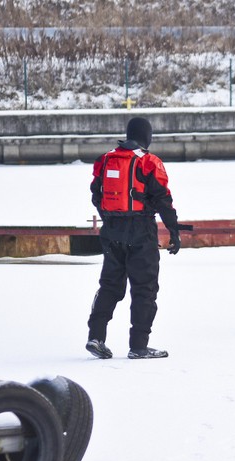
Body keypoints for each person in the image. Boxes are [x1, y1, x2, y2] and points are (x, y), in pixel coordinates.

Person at [85, 117, 183, 359]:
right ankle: (139, 346)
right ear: (146, 137)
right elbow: (163, 200)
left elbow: (95, 194)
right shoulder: (150, 162)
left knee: (109, 285)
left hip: (111, 231)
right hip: (141, 231)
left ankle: (96, 337)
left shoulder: (106, 159)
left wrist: (109, 219)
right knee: (144, 289)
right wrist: (174, 230)